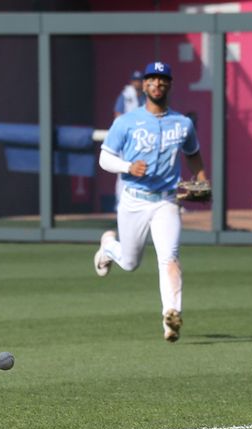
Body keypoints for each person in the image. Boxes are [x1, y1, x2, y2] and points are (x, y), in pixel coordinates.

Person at [94, 61, 210, 343]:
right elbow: (104, 158)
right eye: (152, 79)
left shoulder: (183, 124)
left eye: (162, 79)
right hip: (134, 200)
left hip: (166, 202)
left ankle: (171, 316)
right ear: (144, 85)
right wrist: (127, 167)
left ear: (169, 84)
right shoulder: (126, 122)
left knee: (169, 259)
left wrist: (202, 178)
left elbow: (192, 153)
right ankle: (109, 246)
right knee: (131, 263)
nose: (157, 83)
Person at [112, 70, 146, 209]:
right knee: (123, 170)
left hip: (141, 139)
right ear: (132, 81)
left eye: (139, 80)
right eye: (135, 80)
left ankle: (140, 201)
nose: (137, 83)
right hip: (126, 139)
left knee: (142, 170)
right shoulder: (126, 95)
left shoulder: (145, 96)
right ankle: (120, 202)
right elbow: (118, 114)